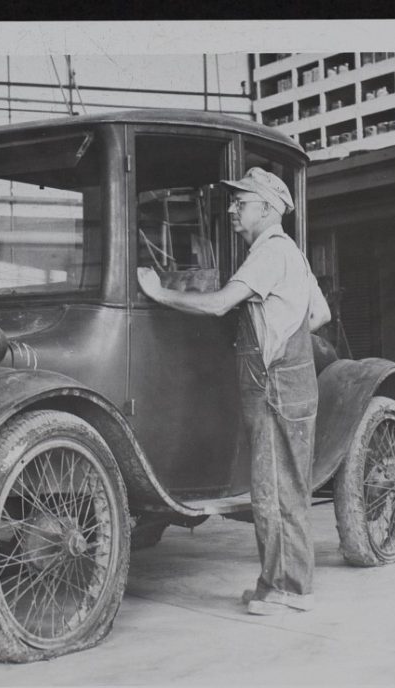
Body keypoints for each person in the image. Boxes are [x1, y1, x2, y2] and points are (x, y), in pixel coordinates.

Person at [137, 167, 329, 616]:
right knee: (286, 486)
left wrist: (157, 292)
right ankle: (277, 583)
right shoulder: (292, 254)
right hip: (293, 381)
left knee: (272, 489)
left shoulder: (268, 253)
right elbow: (318, 314)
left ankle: (291, 590)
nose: (232, 210)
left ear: (265, 208)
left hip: (275, 387)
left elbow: (220, 302)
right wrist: (282, 339)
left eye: (240, 203)